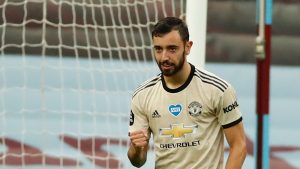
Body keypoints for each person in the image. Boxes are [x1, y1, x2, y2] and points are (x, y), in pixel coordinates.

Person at [127, 17, 247, 169]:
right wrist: (137, 149)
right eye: (158, 49)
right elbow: (137, 161)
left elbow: (239, 145)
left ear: (188, 47)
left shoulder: (218, 89)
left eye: (172, 49)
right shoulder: (142, 95)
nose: (164, 57)